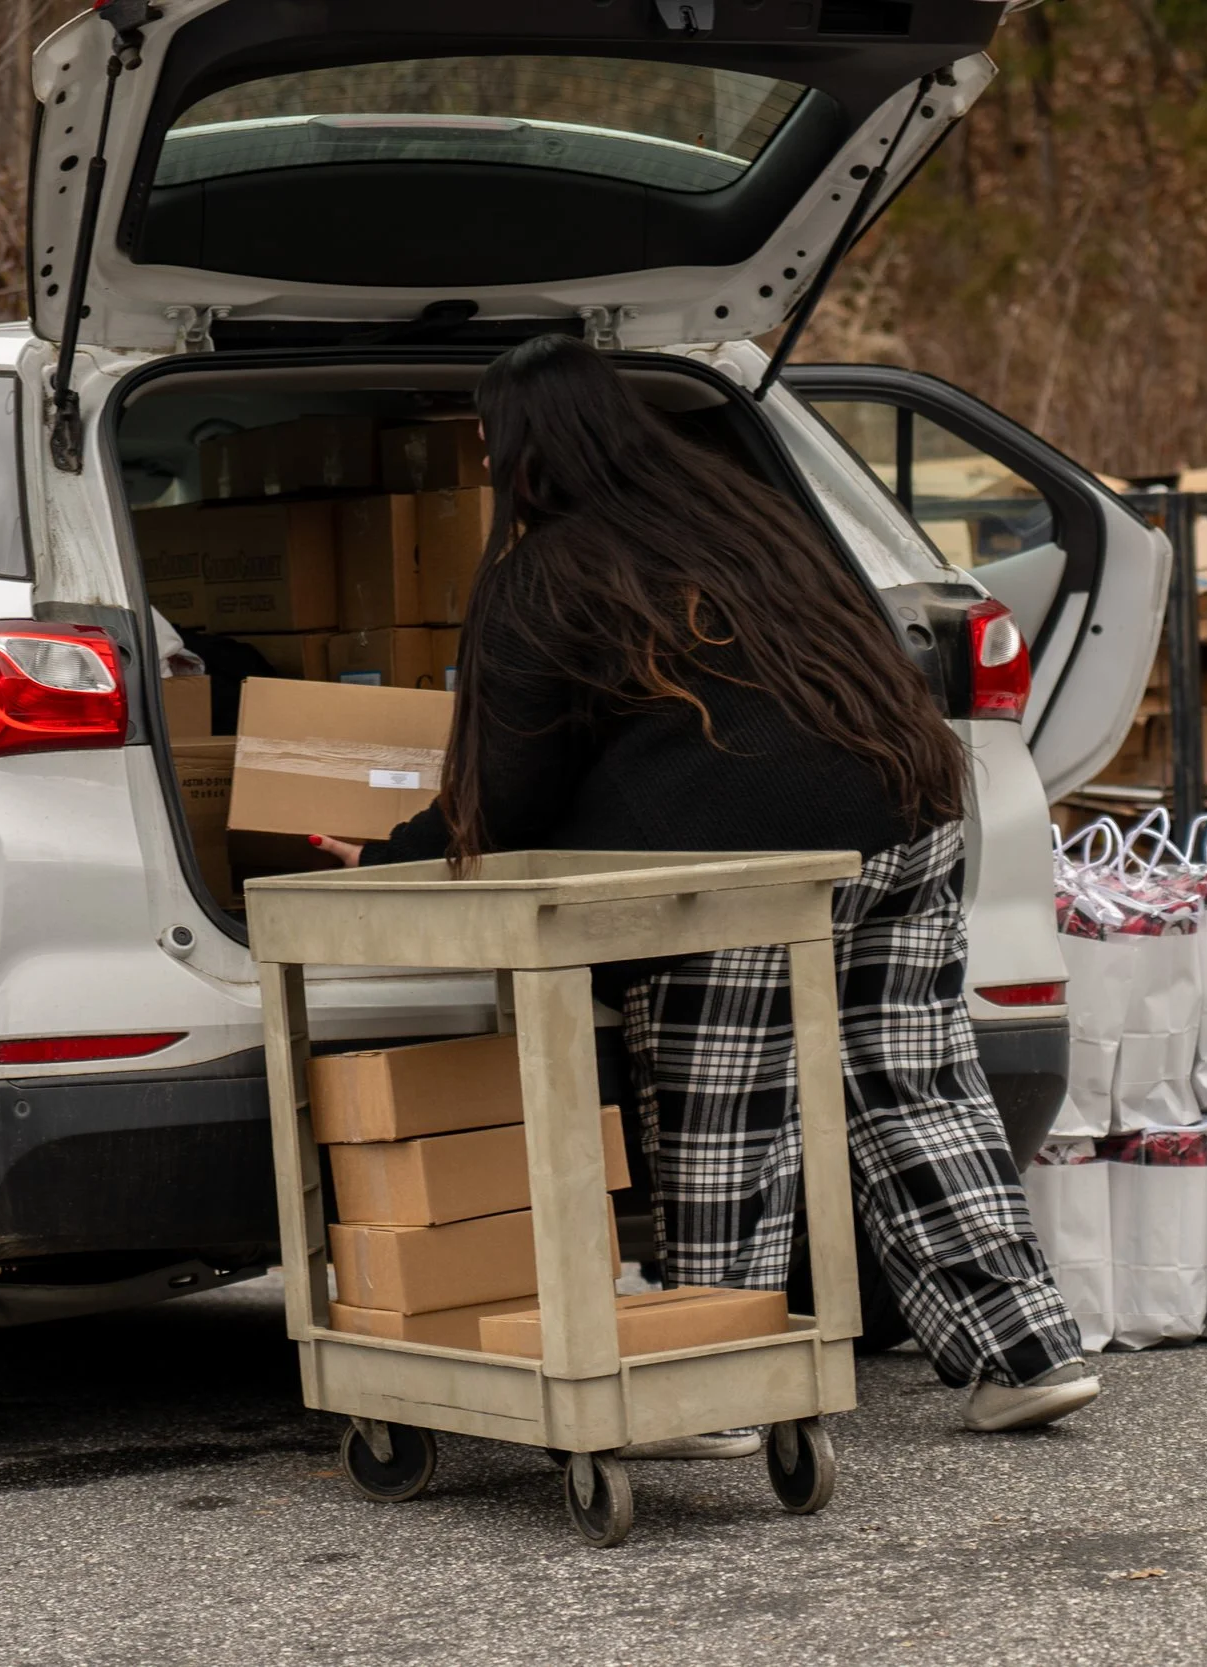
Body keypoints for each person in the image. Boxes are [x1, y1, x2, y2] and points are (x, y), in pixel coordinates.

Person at [319, 333, 1098, 1439]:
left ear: (525, 450)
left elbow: (510, 789)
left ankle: (715, 1380)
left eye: (490, 442)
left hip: (745, 869)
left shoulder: (549, 571)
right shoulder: (746, 521)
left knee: (722, 1111)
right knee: (917, 1090)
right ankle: (1026, 1352)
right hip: (908, 821)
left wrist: (390, 862)